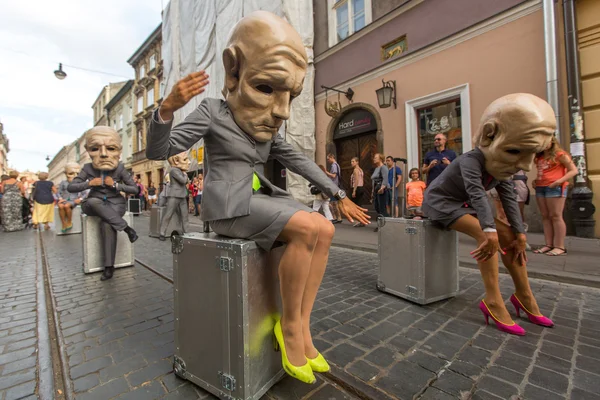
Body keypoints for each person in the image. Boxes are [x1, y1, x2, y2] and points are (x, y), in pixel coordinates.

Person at [146, 11, 369, 385]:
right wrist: (166, 108)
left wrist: (338, 193)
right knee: (303, 227)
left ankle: (301, 324)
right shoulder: (212, 113)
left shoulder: (268, 130)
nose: (281, 111)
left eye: (290, 96)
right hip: (227, 210)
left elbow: (299, 161)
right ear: (233, 75)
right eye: (267, 89)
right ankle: (291, 328)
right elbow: (161, 149)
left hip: (260, 202)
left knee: (323, 229)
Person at [422, 93, 557, 336]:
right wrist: (488, 230)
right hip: (439, 203)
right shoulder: (470, 160)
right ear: (489, 136)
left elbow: (509, 199)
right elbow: (477, 194)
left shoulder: (501, 168)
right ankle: (493, 300)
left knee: (508, 236)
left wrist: (520, 233)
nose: (525, 165)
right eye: (516, 151)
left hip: (463, 205)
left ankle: (524, 295)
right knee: (485, 235)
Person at [68, 127, 140, 281]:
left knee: (107, 224)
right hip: (93, 204)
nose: (103, 154)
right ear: (88, 151)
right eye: (95, 149)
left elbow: (134, 189)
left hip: (115, 204)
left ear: (118, 151)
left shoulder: (120, 168)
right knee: (93, 201)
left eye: (110, 148)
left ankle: (109, 267)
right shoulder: (87, 168)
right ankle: (127, 228)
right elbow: (71, 187)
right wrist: (89, 183)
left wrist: (115, 185)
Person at [532, 136, 577, 256]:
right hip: (541, 187)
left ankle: (559, 246)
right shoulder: (539, 157)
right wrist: (536, 180)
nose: (545, 144)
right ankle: (549, 244)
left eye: (547, 141)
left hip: (555, 187)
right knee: (545, 216)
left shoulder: (560, 154)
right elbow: (544, 171)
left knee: (556, 216)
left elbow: (573, 170)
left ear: (552, 142)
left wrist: (559, 181)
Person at [488, 170, 532, 250]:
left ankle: (520, 238)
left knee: (517, 213)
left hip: (517, 181)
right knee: (501, 214)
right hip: (498, 178)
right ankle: (503, 239)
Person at [159, 152, 190, 241]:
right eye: (184, 159)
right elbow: (183, 181)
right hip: (174, 195)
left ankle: (186, 233)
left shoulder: (179, 170)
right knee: (168, 215)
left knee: (185, 216)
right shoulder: (173, 170)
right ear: (176, 161)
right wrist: (185, 175)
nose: (188, 162)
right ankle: (162, 232)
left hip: (182, 195)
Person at [57, 162, 84, 233]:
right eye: (71, 173)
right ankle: (63, 223)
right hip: (65, 199)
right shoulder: (63, 183)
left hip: (73, 200)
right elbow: (58, 192)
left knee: (66, 206)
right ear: (66, 173)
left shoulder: (80, 182)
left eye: (77, 174)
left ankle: (69, 222)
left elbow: (86, 193)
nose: (75, 176)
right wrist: (60, 198)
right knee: (60, 206)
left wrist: (80, 199)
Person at [371, 153, 389, 231]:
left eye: (375, 157)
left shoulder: (383, 167)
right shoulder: (377, 168)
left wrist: (382, 188)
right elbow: (373, 181)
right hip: (376, 189)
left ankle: (383, 225)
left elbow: (385, 178)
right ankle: (383, 223)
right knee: (377, 206)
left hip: (381, 189)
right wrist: (372, 191)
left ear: (380, 159)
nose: (374, 159)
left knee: (382, 207)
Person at [324, 153, 343, 224]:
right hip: (335, 186)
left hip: (334, 187)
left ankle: (337, 218)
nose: (328, 161)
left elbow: (334, 176)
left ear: (332, 157)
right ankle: (337, 217)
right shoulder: (336, 165)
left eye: (328, 159)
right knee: (334, 203)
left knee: (333, 203)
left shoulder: (334, 166)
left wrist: (326, 172)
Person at [350, 157, 365, 227]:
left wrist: (354, 191)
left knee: (356, 206)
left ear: (357, 162)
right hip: (361, 187)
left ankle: (359, 220)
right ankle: (362, 220)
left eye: (353, 161)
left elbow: (356, 181)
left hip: (357, 188)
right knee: (360, 205)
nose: (351, 163)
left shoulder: (355, 170)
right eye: (351, 162)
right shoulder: (361, 170)